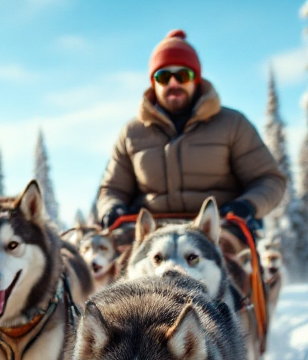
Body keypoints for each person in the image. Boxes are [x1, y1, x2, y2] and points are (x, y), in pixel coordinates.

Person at [95, 29, 287, 232]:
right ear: (153, 82)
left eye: (183, 75)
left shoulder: (233, 124)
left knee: (224, 260)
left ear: (195, 79)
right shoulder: (132, 133)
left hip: (217, 229)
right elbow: (112, 189)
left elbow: (269, 180)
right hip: (150, 232)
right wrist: (112, 208)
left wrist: (247, 205)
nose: (173, 83)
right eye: (164, 76)